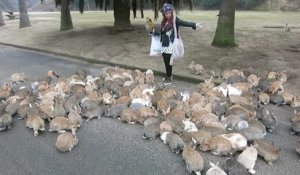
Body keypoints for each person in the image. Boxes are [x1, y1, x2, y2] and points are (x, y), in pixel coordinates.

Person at [151, 3, 202, 85]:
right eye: (166, 13)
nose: (168, 15)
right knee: (166, 61)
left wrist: (194, 25)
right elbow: (162, 33)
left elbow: (184, 23)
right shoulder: (164, 21)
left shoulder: (175, 20)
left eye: (169, 13)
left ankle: (169, 78)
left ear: (172, 12)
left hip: (171, 45)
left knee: (169, 62)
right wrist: (154, 33)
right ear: (164, 14)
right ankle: (168, 76)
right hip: (164, 45)